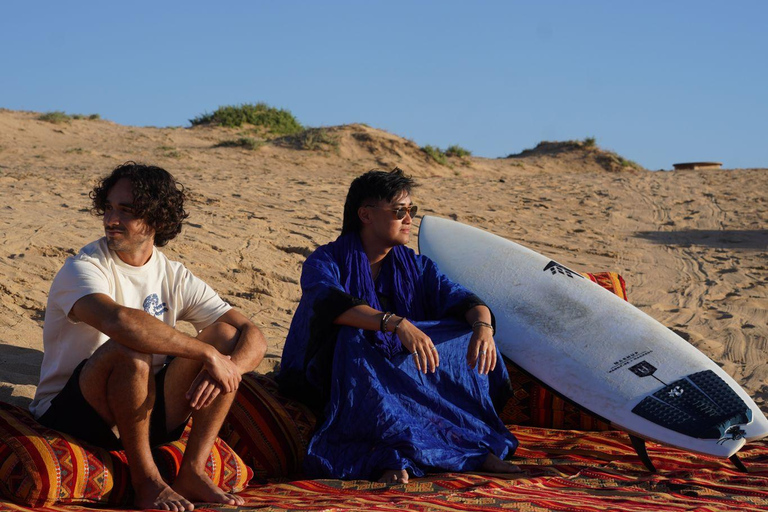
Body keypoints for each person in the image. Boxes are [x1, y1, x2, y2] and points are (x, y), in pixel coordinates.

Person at [29, 163, 267, 511]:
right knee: (131, 349)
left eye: (126, 211)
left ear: (157, 219)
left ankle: (192, 471)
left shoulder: (172, 274)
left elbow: (252, 334)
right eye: (109, 207)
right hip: (75, 410)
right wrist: (207, 355)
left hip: (144, 410)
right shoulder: (84, 267)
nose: (111, 218)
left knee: (225, 335)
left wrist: (228, 366)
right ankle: (147, 482)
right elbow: (121, 321)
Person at [278, 168, 518, 484]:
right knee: (354, 336)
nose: (409, 220)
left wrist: (483, 328)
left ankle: (465, 443)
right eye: (399, 211)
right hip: (330, 375)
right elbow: (328, 303)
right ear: (365, 215)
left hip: (394, 371)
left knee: (463, 332)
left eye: (411, 211)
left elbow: (461, 299)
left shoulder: (415, 266)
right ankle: (387, 454)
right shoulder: (326, 260)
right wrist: (394, 324)